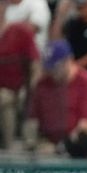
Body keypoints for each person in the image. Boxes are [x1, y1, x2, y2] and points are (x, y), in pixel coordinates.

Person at [26, 39, 87, 157]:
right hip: (45, 144)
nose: (52, 72)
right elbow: (32, 118)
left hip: (76, 146)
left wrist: (60, 147)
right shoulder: (43, 84)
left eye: (55, 67)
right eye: (49, 68)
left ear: (69, 60)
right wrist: (32, 142)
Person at [0, 12, 39, 150]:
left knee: (33, 99)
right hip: (3, 91)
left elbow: (35, 64)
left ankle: (30, 146)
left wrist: (30, 88)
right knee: (3, 98)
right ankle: (9, 148)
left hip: (23, 88)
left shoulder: (19, 30)